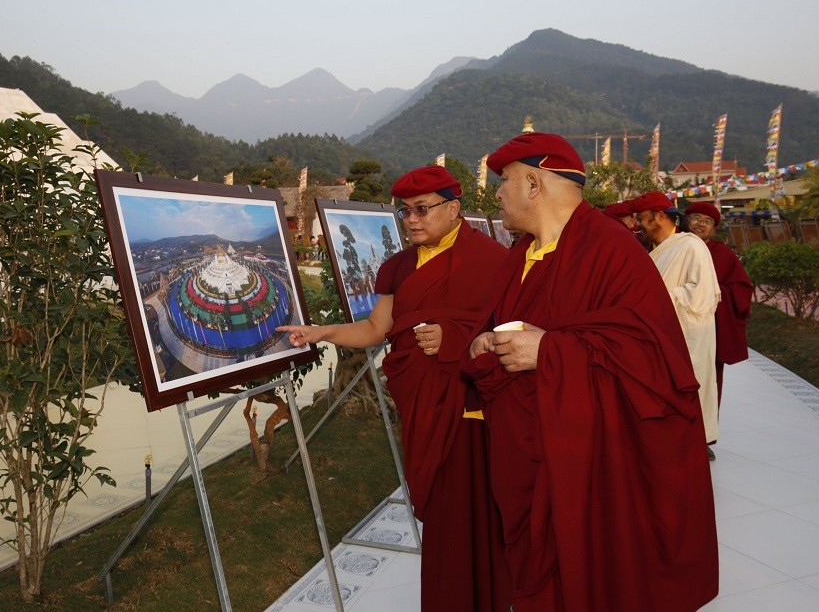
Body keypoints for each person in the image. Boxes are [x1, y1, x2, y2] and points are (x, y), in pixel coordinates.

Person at [462, 133, 718, 612]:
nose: (497, 194)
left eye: (505, 181)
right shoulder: (520, 254)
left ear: (534, 184)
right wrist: (482, 341)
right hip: (525, 449)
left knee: (584, 579)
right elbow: (496, 323)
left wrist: (551, 350)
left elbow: (653, 360)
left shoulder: (610, 250)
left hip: (585, 463)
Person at [278, 165, 512, 612]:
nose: (412, 220)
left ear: (453, 208)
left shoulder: (494, 260)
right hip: (423, 404)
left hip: (473, 406)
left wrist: (456, 340)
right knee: (441, 516)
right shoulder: (399, 266)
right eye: (405, 211)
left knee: (477, 514)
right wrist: (321, 332)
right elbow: (374, 329)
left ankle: (491, 597)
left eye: (422, 209)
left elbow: (512, 332)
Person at [633, 192, 722, 457]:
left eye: (642, 218)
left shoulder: (691, 245)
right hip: (659, 334)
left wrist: (657, 297)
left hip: (689, 334)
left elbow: (702, 293)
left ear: (659, 216)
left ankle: (695, 442)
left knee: (689, 387)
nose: (639, 224)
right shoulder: (655, 250)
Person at [684, 202, 753, 403]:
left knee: (708, 385)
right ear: (687, 221)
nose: (700, 224)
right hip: (677, 325)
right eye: (696, 218)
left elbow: (741, 289)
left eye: (707, 221)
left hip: (709, 327)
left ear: (713, 230)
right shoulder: (674, 247)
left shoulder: (722, 253)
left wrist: (709, 292)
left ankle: (707, 421)